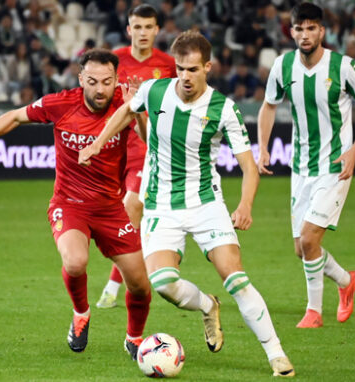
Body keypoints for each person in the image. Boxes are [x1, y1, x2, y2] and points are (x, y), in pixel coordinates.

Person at [79, 31, 295, 378]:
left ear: (208, 67)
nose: (185, 76)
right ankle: (207, 305)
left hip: (206, 203)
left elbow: (248, 166)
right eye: (180, 68)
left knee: (236, 277)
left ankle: (277, 356)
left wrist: (245, 205)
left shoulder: (224, 108)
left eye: (193, 69)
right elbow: (124, 112)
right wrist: (97, 143)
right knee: (163, 283)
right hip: (161, 205)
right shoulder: (155, 90)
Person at [0, 48, 152, 359]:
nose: (100, 89)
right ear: (80, 79)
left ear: (116, 80)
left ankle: (135, 338)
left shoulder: (123, 104)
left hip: (111, 208)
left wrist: (137, 108)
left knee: (140, 284)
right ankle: (81, 313)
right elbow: (15, 116)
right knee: (74, 261)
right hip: (69, 203)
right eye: (93, 81)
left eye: (107, 81)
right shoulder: (61, 104)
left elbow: (147, 137)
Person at [256, 3, 355, 329]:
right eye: (300, 28)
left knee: (310, 240)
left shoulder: (343, 66)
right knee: (301, 248)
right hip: (301, 168)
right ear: (292, 31)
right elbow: (268, 107)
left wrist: (354, 151)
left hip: (335, 166)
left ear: (322, 31)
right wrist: (264, 147)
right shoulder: (283, 66)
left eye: (312, 28)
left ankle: (314, 312)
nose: (305, 34)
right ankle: (345, 280)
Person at [96, 3, 177, 310]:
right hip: (114, 150)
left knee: (131, 209)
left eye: (149, 27)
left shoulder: (169, 65)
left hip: (147, 148)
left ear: (157, 30)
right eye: (137, 27)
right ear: (129, 30)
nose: (143, 33)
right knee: (117, 218)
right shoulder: (113, 61)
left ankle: (115, 285)